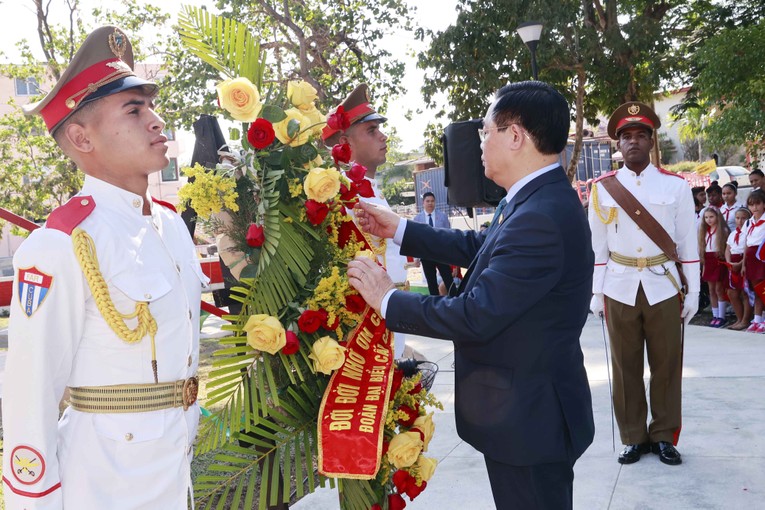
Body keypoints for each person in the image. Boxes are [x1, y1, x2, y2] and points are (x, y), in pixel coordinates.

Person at [347, 81, 595, 510]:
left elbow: (476, 313)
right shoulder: (533, 198)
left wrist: (387, 299)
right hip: (530, 410)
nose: (480, 142)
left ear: (515, 136)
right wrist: (399, 229)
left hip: (532, 420)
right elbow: (480, 248)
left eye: (486, 131)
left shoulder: (541, 215)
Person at [3, 27, 207, 508]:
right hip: (102, 485)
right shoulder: (62, 244)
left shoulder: (172, 226)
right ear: (80, 136)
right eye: (134, 111)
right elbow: (29, 395)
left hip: (174, 473)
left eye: (151, 107)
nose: (157, 121)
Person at [589, 101, 699, 467]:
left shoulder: (676, 187)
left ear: (652, 141)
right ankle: (634, 437)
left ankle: (664, 435)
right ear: (617, 145)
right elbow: (598, 248)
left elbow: (687, 243)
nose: (633, 142)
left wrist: (694, 290)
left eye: (640, 135)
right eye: (626, 137)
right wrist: (596, 290)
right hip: (619, 286)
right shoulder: (603, 189)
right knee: (625, 366)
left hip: (663, 285)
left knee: (667, 364)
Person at [321, 83, 409, 359]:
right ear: (344, 144)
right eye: (371, 131)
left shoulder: (369, 189)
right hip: (367, 328)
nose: (383, 137)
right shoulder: (341, 195)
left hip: (389, 318)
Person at [412, 192, 454, 295]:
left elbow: (449, 235)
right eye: (428, 201)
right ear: (423, 203)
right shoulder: (417, 219)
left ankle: (456, 301)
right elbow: (416, 240)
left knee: (449, 281)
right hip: (426, 255)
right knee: (431, 283)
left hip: (441, 254)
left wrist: (451, 254)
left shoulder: (443, 217)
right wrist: (416, 258)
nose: (430, 203)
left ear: (435, 202)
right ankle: (435, 306)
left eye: (432, 201)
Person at [699, 207, 730, 327]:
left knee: (719, 289)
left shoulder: (723, 231)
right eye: (706, 217)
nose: (709, 220)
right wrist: (704, 267)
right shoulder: (704, 231)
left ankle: (722, 316)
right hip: (708, 261)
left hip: (718, 260)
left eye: (711, 217)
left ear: (718, 217)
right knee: (711, 290)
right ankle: (715, 315)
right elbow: (703, 248)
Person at [742, 190, 765, 332]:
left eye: (758, 204)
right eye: (751, 205)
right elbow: (746, 243)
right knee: (756, 290)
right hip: (751, 260)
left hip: (762, 260)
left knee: (764, 290)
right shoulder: (748, 222)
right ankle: (757, 320)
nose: (754, 207)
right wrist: (744, 263)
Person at [726, 208, 752, 330]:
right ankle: (739, 318)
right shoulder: (732, 234)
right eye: (737, 218)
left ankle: (745, 320)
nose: (740, 221)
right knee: (731, 292)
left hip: (744, 262)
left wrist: (742, 263)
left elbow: (748, 250)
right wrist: (728, 262)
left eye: (743, 218)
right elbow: (727, 248)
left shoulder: (749, 232)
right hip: (733, 263)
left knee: (745, 292)